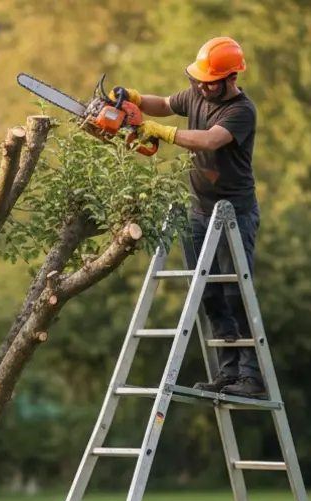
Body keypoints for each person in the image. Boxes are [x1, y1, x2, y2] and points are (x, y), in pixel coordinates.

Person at [112, 37, 265, 398]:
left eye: (210, 81)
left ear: (230, 78)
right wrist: (134, 97)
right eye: (199, 79)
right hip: (199, 208)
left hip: (233, 213)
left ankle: (252, 377)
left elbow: (210, 140)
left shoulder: (241, 111)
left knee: (234, 291)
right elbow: (163, 104)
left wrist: (163, 133)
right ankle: (228, 373)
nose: (201, 86)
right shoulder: (196, 92)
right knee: (207, 292)